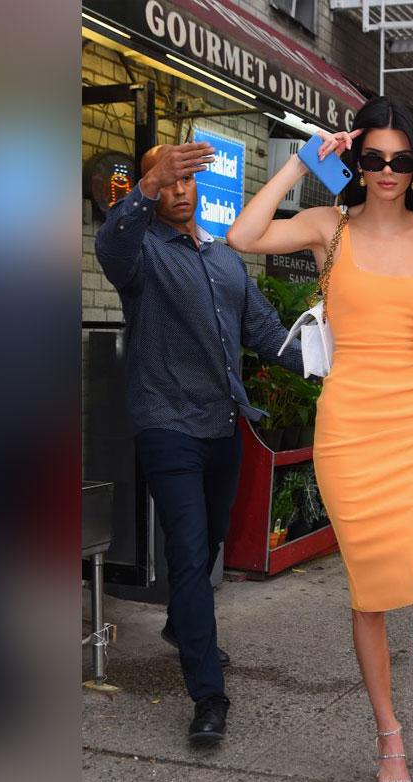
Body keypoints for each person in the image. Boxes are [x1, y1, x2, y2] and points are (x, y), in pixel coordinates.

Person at [227, 96, 413, 782]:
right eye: (372, 158)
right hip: (349, 429)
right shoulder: (325, 226)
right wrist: (303, 165)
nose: (388, 171)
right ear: (355, 161)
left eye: (402, 159)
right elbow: (242, 236)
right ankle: (388, 735)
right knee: (370, 595)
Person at [94, 141, 306, 744]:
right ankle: (208, 694)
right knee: (188, 554)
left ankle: (179, 628)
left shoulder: (223, 258)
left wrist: (326, 365)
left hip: (222, 424)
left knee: (209, 541)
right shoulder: (139, 255)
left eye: (187, 179)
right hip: (167, 425)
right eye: (168, 180)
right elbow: (109, 244)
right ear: (154, 188)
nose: (179, 189)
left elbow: (265, 331)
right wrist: (144, 186)